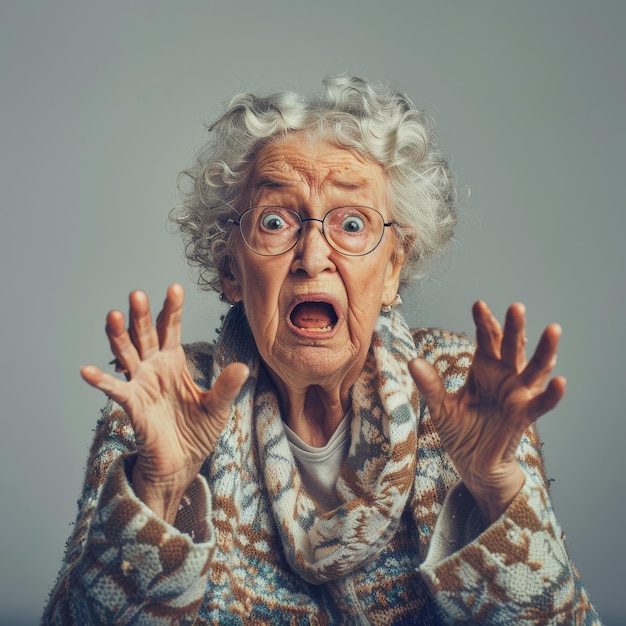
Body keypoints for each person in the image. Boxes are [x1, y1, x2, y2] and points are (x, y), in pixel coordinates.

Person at [42, 75, 600, 625]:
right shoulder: (166, 400)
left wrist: (497, 494)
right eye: (276, 221)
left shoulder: (464, 390)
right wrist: (157, 492)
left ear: (391, 270)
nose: (312, 256)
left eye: (352, 223)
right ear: (231, 268)